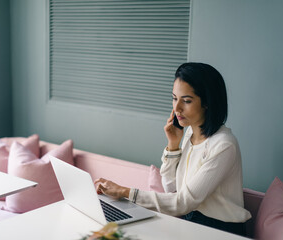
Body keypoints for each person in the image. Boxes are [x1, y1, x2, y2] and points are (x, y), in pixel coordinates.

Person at [94, 62, 251, 236]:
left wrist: (125, 192)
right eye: (175, 98)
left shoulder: (224, 144)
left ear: (207, 103)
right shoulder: (190, 132)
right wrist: (173, 146)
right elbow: (171, 189)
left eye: (187, 101)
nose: (176, 108)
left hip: (221, 230)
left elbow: (183, 202)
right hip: (191, 220)